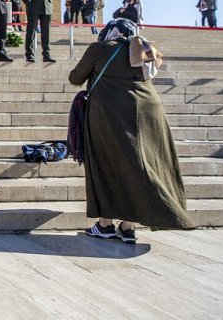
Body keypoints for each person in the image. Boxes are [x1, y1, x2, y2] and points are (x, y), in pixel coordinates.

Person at [69, 18, 194, 244]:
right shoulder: (145, 49)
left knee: (105, 163)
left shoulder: (100, 49)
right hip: (149, 113)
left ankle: (105, 223)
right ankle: (128, 227)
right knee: (136, 164)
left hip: (110, 115)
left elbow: (75, 78)